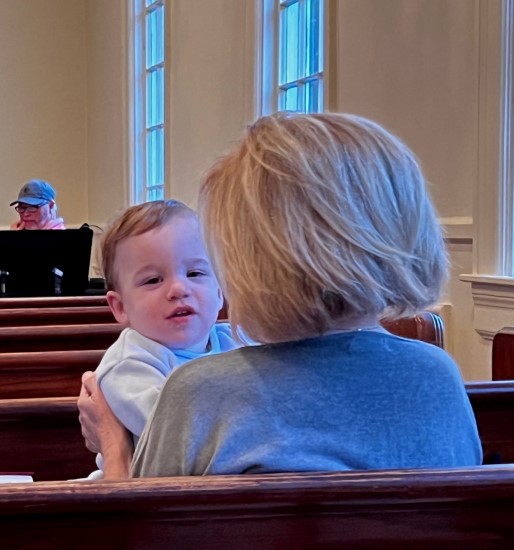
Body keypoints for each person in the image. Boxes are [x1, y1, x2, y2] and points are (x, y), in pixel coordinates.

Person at [79, 112, 482, 479]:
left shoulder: (200, 394)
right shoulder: (436, 376)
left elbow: (138, 525)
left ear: (254, 257)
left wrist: (114, 448)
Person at [87, 199, 239, 477]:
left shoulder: (236, 342)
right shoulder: (130, 363)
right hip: (142, 489)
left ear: (220, 292)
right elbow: (175, 438)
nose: (179, 288)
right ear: (120, 307)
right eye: (153, 280)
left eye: (195, 273)